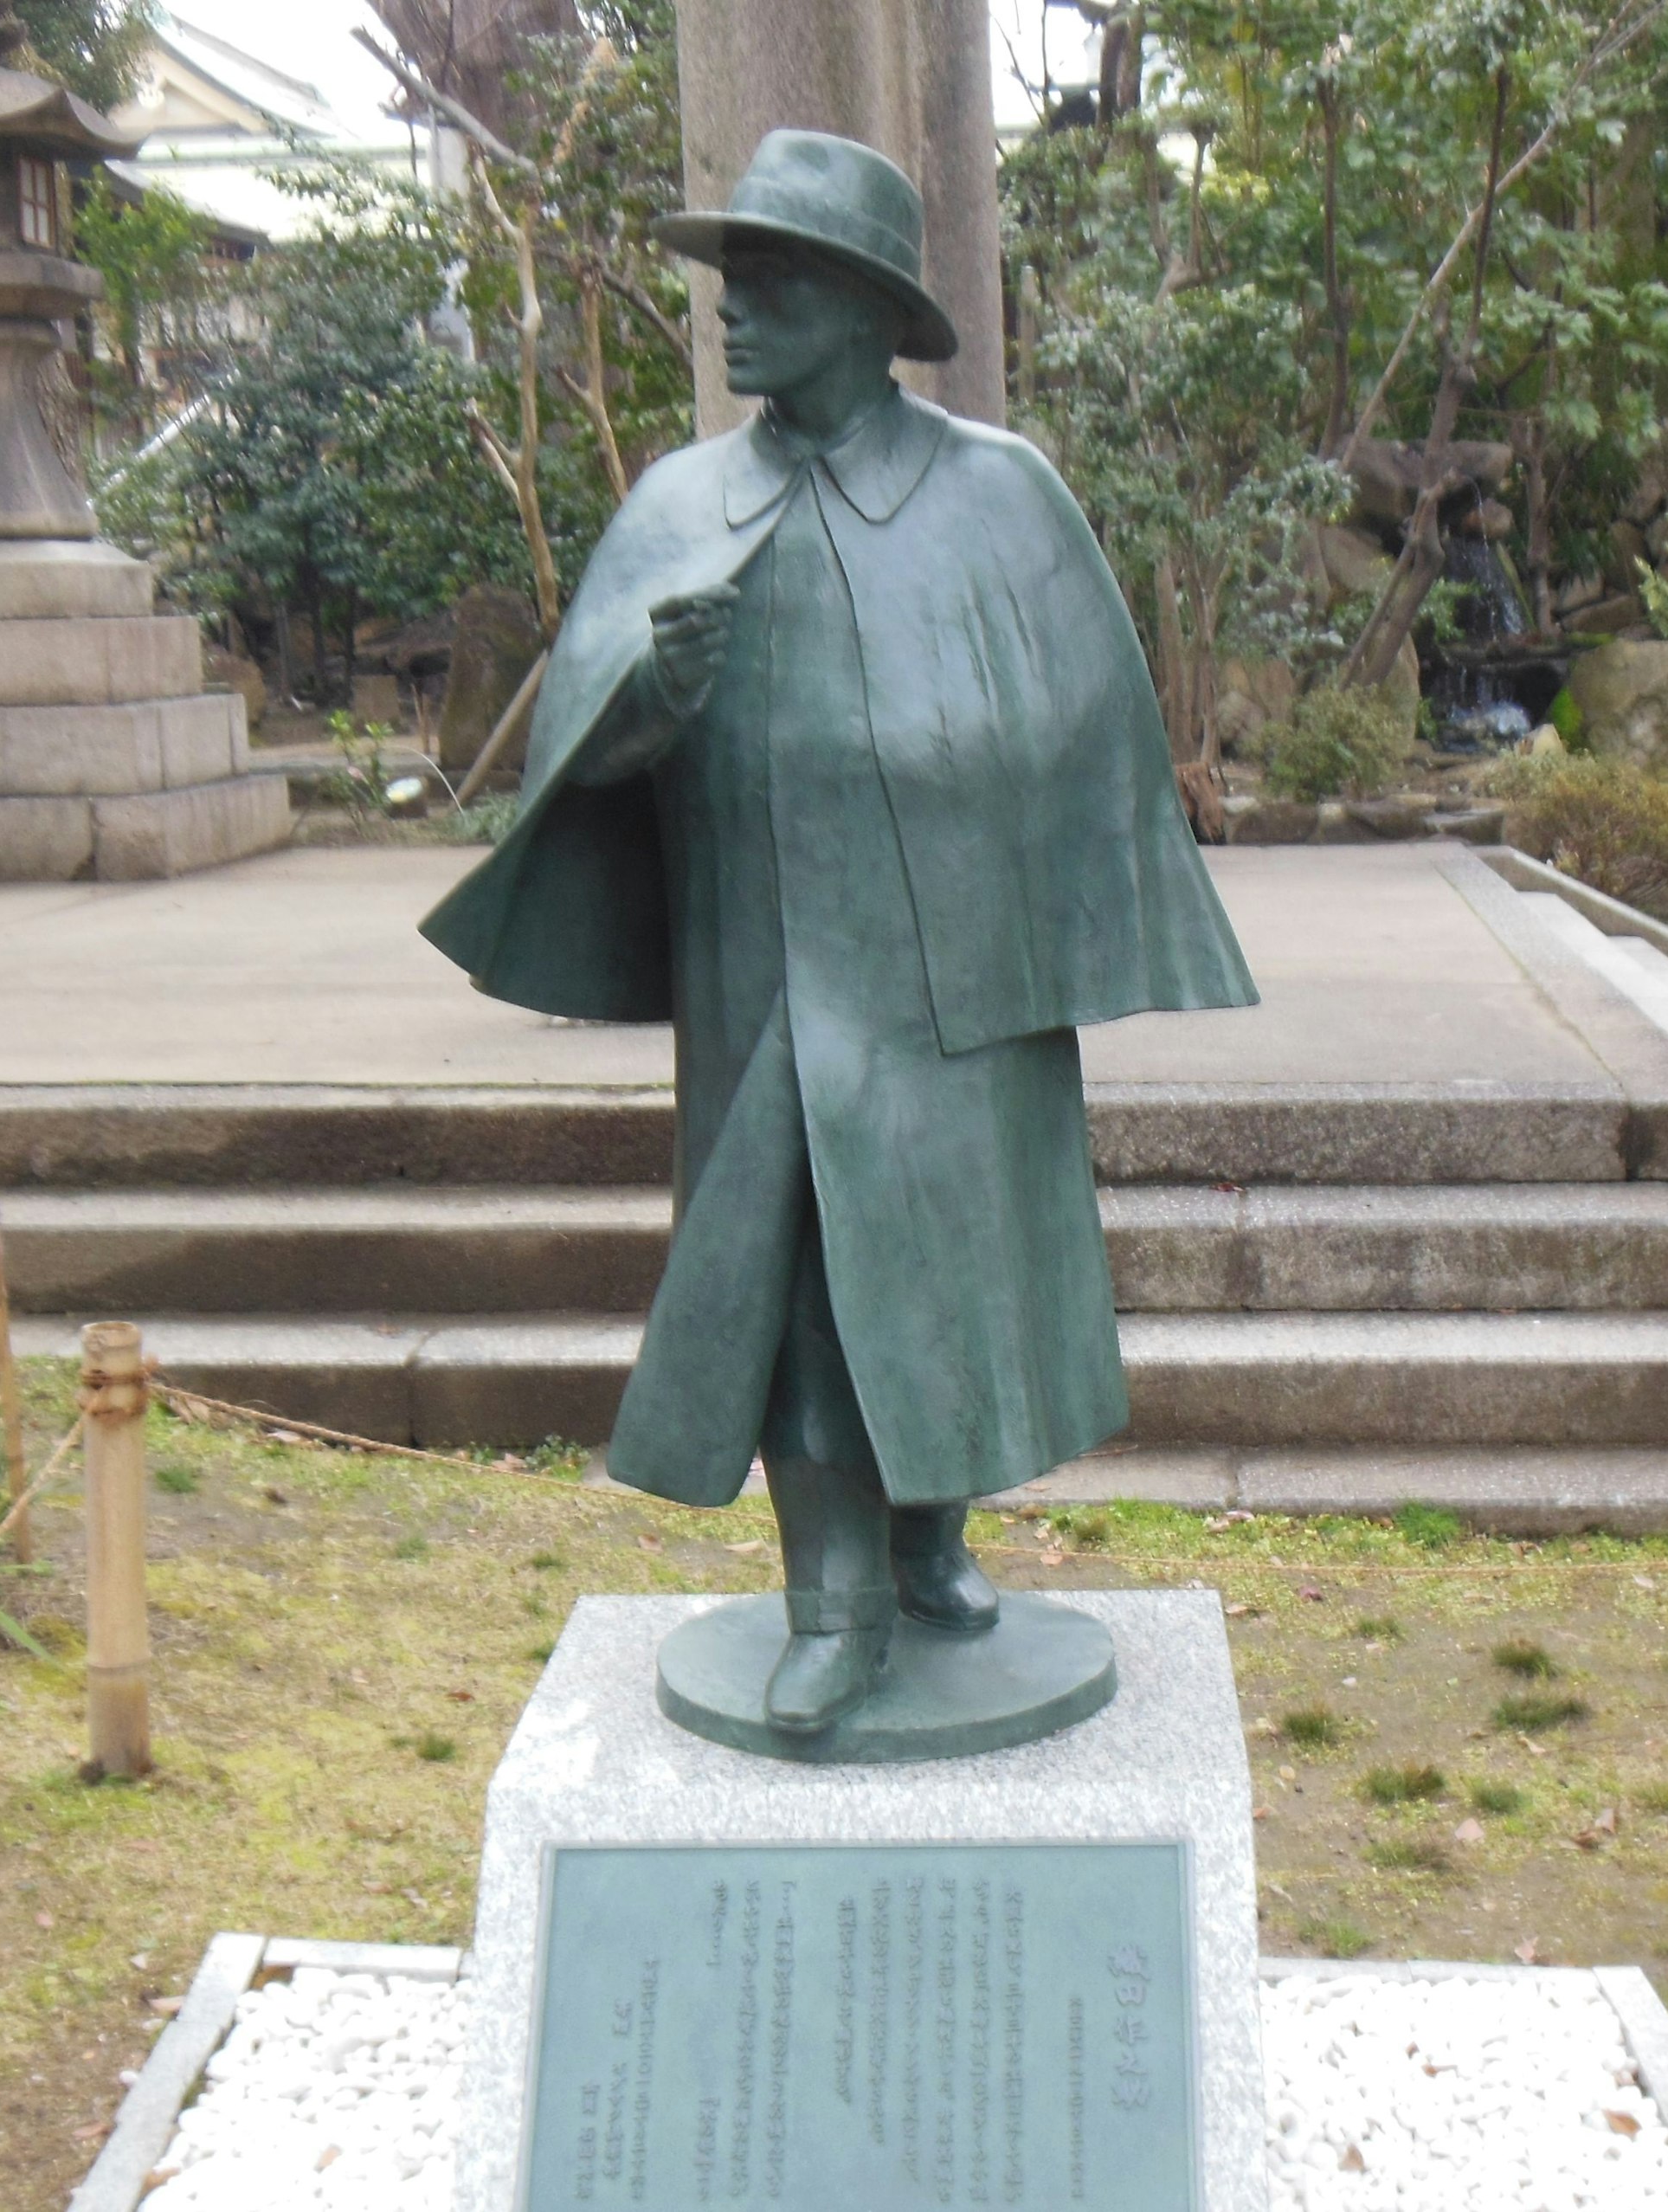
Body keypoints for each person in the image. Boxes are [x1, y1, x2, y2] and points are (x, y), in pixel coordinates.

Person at [423, 129, 1253, 1735]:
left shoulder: (999, 495)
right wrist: (641, 706)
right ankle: (833, 1595)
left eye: (776, 280)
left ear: (870, 311)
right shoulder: (683, 503)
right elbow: (573, 752)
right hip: (770, 969)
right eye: (732, 279)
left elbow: (1092, 726)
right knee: (794, 1277)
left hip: (961, 974)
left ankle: (931, 1541)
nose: (734, 310)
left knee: (955, 1270)